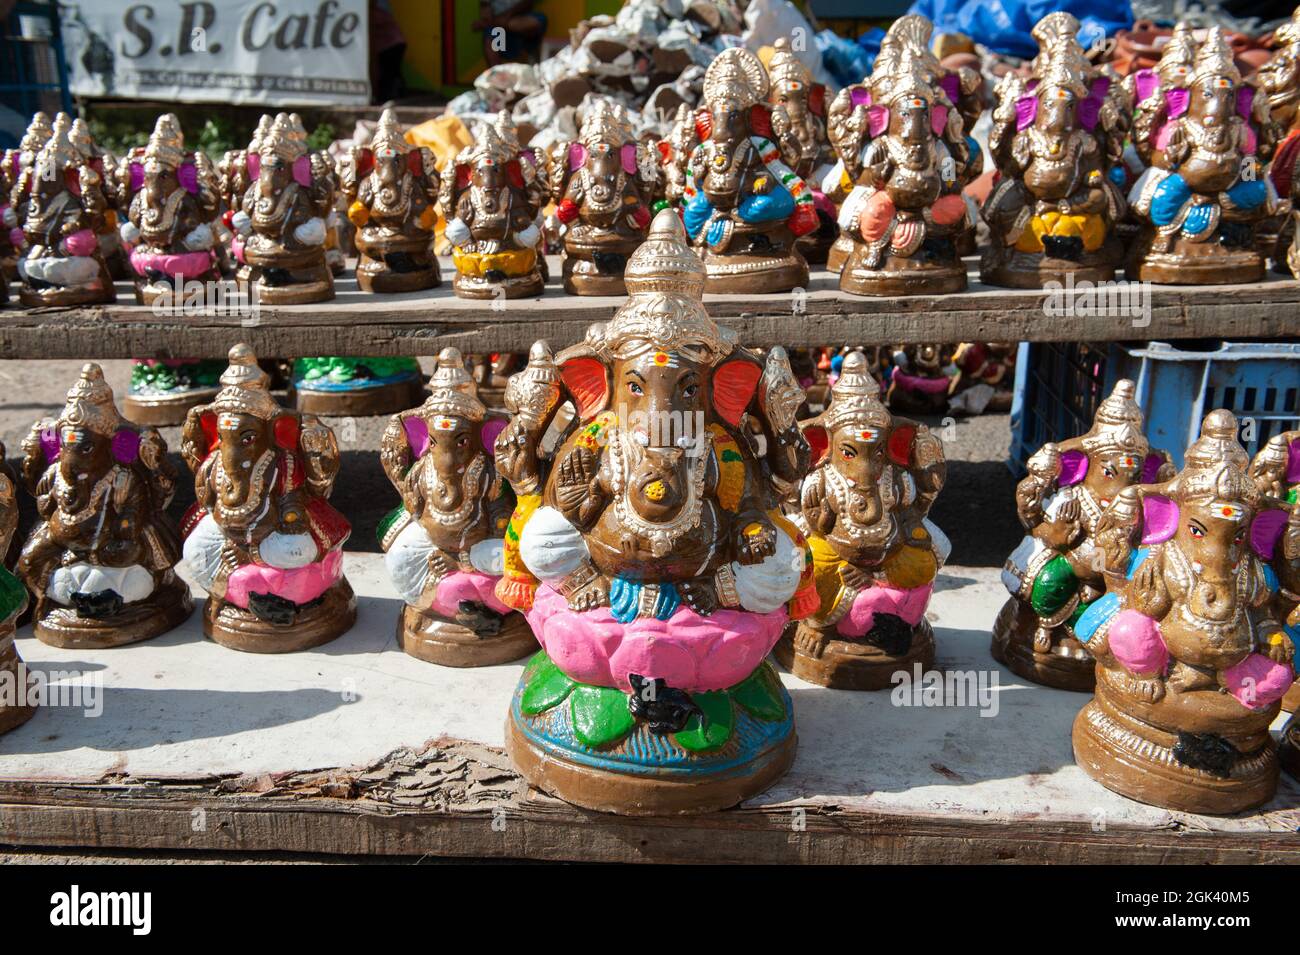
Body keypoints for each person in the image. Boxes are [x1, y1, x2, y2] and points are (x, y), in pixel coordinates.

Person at [474, 0, 547, 66]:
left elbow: (528, 3)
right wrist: (489, 19)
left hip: (522, 19)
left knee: (536, 22)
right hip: (500, 30)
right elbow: (485, 9)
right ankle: (497, 75)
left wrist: (506, 17)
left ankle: (531, 53)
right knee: (490, 37)